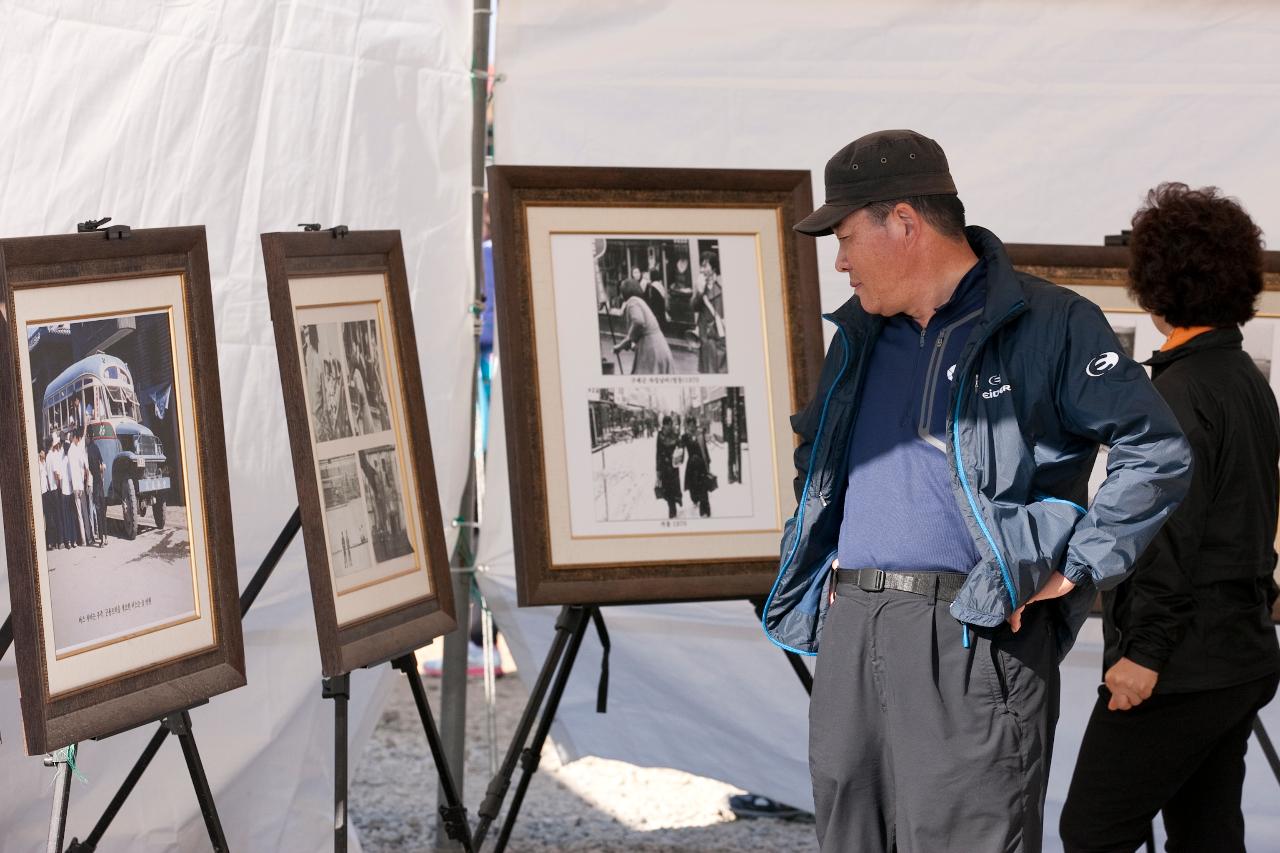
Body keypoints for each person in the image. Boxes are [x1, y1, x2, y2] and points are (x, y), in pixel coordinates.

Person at [761, 129, 1191, 852]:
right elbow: (819, 447)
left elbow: (1157, 450)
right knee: (848, 837)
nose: (838, 262)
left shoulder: (1052, 323)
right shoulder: (859, 332)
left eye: (845, 236)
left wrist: (1072, 566)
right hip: (854, 622)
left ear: (903, 222)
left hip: (973, 630)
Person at [1059, 184, 1280, 853]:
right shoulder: (1243, 378)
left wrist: (1144, 653)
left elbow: (1169, 533)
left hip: (1180, 664)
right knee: (1207, 831)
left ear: (1155, 284)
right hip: (1237, 655)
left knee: (1094, 828)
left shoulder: (1179, 394)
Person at [613, 278, 675, 374]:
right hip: (659, 345)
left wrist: (625, 342)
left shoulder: (632, 301)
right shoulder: (640, 301)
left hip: (650, 349)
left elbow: (638, 322)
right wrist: (628, 343)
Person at [694, 251, 727, 373]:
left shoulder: (721, 287)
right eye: (701, 266)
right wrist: (699, 292)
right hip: (705, 339)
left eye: (704, 266)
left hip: (718, 340)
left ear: (713, 268)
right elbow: (694, 307)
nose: (701, 270)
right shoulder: (700, 286)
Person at [682, 420, 713, 518]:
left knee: (703, 488)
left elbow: (704, 449)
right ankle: (695, 499)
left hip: (701, 465)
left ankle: (705, 510)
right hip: (691, 465)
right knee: (693, 486)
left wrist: (707, 460)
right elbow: (679, 448)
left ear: (695, 425)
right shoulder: (685, 437)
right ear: (687, 426)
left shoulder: (700, 435)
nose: (691, 427)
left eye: (693, 425)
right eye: (689, 425)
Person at [654, 415, 683, 518]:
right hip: (664, 467)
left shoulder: (675, 435)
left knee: (674, 488)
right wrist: (657, 469)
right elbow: (658, 453)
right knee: (667, 490)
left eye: (671, 424)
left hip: (674, 466)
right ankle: (672, 508)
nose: (670, 426)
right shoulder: (660, 436)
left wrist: (679, 442)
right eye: (668, 424)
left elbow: (680, 447)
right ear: (664, 425)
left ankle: (673, 507)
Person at [87, 434, 107, 545]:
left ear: (89, 438)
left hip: (95, 483)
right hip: (100, 482)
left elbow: (90, 468)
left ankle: (102, 539)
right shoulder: (97, 447)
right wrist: (100, 470)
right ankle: (106, 537)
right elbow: (102, 463)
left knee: (98, 511)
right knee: (103, 510)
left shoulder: (89, 450)